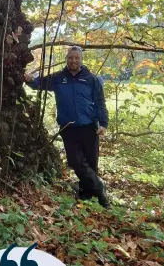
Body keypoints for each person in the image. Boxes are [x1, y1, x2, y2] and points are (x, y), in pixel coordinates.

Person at [25, 46, 110, 208]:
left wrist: (103, 123)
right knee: (75, 161)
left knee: (91, 163)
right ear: (66, 59)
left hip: (89, 127)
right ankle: (100, 188)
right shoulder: (58, 78)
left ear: (81, 60)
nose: (73, 61)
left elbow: (100, 103)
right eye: (70, 58)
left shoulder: (91, 79)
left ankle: (87, 195)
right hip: (68, 128)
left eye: (76, 58)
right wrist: (29, 79)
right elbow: (40, 83)